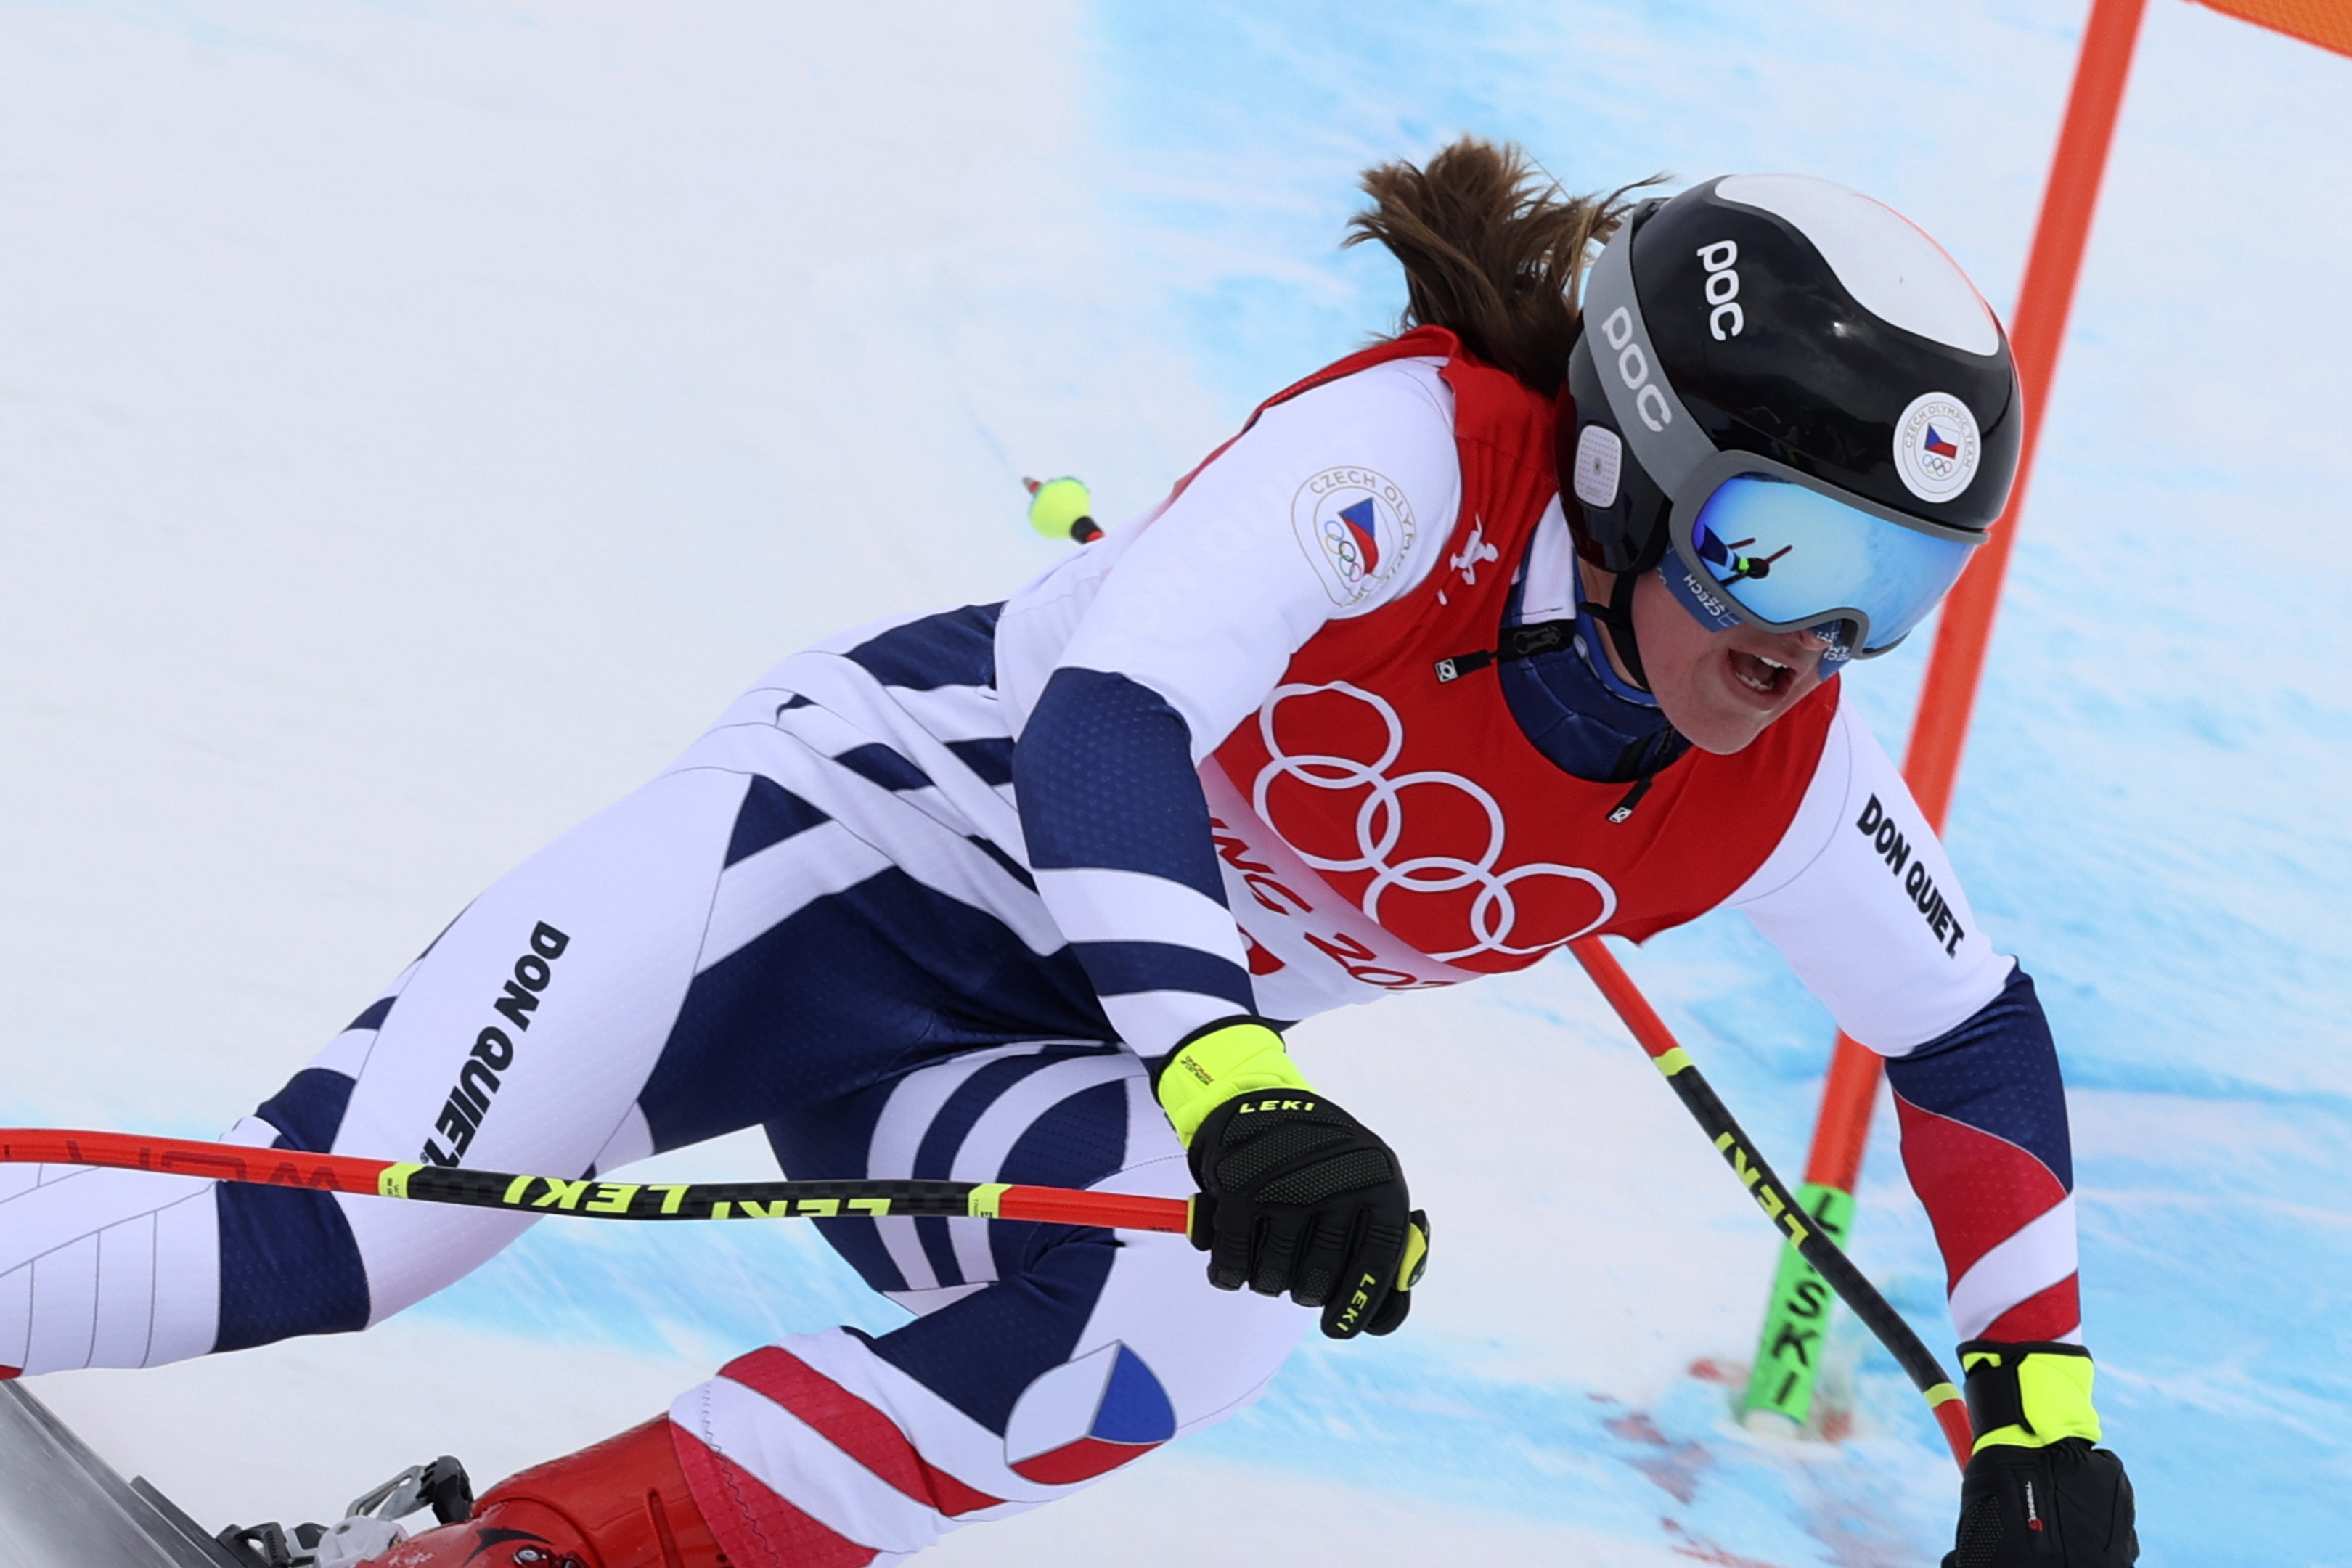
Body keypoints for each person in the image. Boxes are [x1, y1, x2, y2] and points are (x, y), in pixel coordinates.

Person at [0, 139, 2135, 1568]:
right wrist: (1234, 1084)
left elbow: (1966, 1034)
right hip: (824, 872)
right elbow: (1105, 728)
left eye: (1893, 588)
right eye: (1779, 547)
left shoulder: (1775, 761)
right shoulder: (1401, 461)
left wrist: (2037, 1398)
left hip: (1020, 1068)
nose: (1806, 643)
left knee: (1200, 1319)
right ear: (1628, 463)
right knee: (324, 1252)